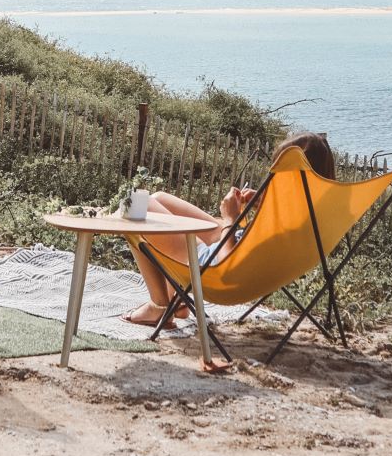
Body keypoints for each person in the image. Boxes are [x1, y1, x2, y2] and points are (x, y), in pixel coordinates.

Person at [124, 131, 336, 327]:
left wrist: (230, 218)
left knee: (136, 204)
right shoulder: (312, 214)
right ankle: (177, 301)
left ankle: (159, 306)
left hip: (215, 265)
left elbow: (227, 264)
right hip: (237, 247)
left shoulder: (290, 217)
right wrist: (260, 204)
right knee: (160, 199)